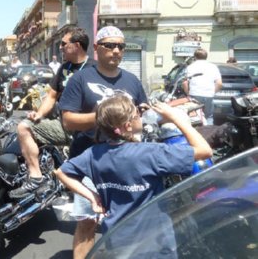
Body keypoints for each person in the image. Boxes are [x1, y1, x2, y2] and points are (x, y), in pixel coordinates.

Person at [55, 94, 213, 254]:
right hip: (154, 242)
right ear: (128, 125)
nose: (141, 117)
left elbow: (61, 172)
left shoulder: (93, 154)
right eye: (138, 114)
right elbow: (205, 151)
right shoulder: (150, 153)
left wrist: (92, 196)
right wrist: (176, 118)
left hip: (116, 239)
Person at [59, 25, 148, 259]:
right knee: (87, 222)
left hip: (126, 163)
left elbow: (140, 118)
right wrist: (103, 117)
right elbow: (68, 120)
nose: (116, 50)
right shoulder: (81, 78)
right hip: (91, 161)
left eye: (120, 46)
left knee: (127, 221)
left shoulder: (132, 81)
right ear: (97, 48)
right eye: (110, 45)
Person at [9, 27, 92, 198]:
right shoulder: (64, 69)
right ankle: (36, 177)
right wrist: (39, 114)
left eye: (63, 44)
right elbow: (52, 96)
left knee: (83, 181)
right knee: (24, 127)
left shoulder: (94, 69)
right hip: (63, 126)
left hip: (89, 130)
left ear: (76, 46)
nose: (60, 47)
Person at [182, 48, 222, 125]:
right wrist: (212, 92)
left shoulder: (190, 67)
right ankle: (209, 134)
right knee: (209, 116)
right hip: (209, 95)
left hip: (194, 94)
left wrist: (188, 93)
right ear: (206, 56)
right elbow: (219, 83)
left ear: (195, 57)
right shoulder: (213, 67)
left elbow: (184, 83)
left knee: (195, 117)